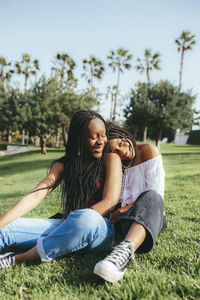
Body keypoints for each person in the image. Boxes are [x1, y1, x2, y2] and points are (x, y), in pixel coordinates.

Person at [0, 111, 122, 270]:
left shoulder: (111, 159)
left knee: (86, 218)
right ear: (79, 138)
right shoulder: (64, 165)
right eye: (94, 137)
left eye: (103, 135)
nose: (101, 141)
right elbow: (36, 195)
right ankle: (62, 238)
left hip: (100, 230)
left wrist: (75, 221)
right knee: (6, 229)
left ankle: (16, 259)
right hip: (66, 224)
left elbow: (110, 201)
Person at [93, 122, 167, 283]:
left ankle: (122, 254)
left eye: (120, 144)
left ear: (125, 135)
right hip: (120, 221)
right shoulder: (115, 164)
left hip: (148, 215)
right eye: (116, 153)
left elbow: (157, 195)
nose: (123, 152)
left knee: (152, 196)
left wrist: (120, 211)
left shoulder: (148, 151)